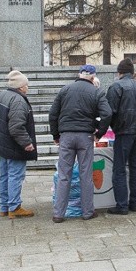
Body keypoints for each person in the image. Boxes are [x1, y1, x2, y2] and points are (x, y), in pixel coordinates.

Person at [49, 64, 112, 223]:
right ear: (93, 77)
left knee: (64, 175)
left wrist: (56, 134)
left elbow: (53, 114)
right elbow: (107, 113)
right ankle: (87, 212)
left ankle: (58, 214)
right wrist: (99, 133)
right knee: (86, 175)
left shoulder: (65, 90)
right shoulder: (96, 91)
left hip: (66, 136)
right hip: (85, 137)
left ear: (79, 75)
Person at [0, 70, 37, 218]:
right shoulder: (18, 100)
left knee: (4, 175)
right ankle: (14, 207)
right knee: (15, 176)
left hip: (2, 143)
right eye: (26, 85)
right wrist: (27, 143)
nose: (27, 88)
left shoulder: (1, 95)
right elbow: (16, 126)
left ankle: (4, 207)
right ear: (21, 87)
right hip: (13, 145)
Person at [99, 58, 136, 215]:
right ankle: (134, 203)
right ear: (132, 72)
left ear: (119, 72)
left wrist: (101, 131)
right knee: (135, 168)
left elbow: (109, 112)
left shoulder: (116, 86)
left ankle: (122, 205)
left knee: (119, 169)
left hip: (123, 132)